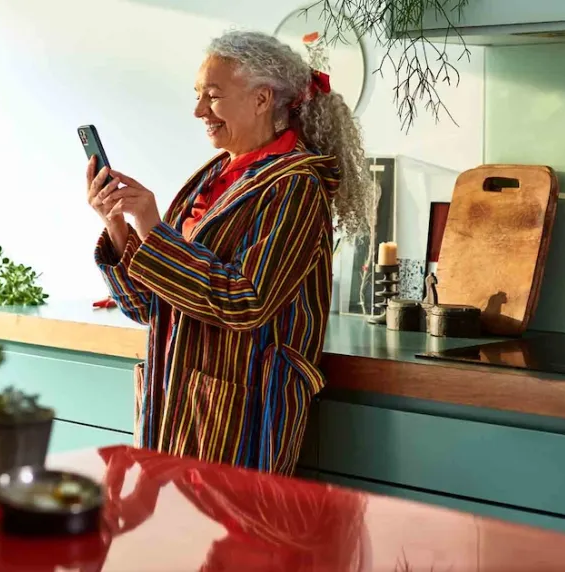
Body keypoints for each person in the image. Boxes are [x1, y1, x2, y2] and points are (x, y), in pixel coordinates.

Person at [86, 30, 372, 475]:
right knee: (175, 541)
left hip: (240, 416)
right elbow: (148, 305)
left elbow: (246, 300)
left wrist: (153, 228)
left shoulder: (295, 186)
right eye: (199, 95)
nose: (199, 110)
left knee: (236, 543)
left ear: (261, 99)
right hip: (173, 409)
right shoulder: (215, 175)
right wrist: (120, 226)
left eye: (213, 96)